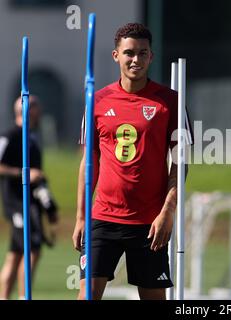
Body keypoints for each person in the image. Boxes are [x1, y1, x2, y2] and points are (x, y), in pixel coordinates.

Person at [72, 23, 193, 300]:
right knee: (87, 296)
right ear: (116, 56)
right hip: (102, 217)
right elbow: (88, 163)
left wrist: (167, 212)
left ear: (151, 56)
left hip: (150, 221)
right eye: (129, 53)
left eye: (142, 53)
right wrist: (81, 216)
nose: (135, 60)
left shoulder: (171, 102)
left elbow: (181, 163)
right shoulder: (97, 101)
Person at [0, 96, 59, 300]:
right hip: (16, 204)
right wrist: (23, 174)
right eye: (35, 106)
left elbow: (38, 177)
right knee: (32, 250)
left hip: (30, 204)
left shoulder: (32, 137)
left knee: (15, 254)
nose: (39, 110)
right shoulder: (10, 135)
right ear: (26, 110)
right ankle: (25, 297)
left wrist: (49, 206)